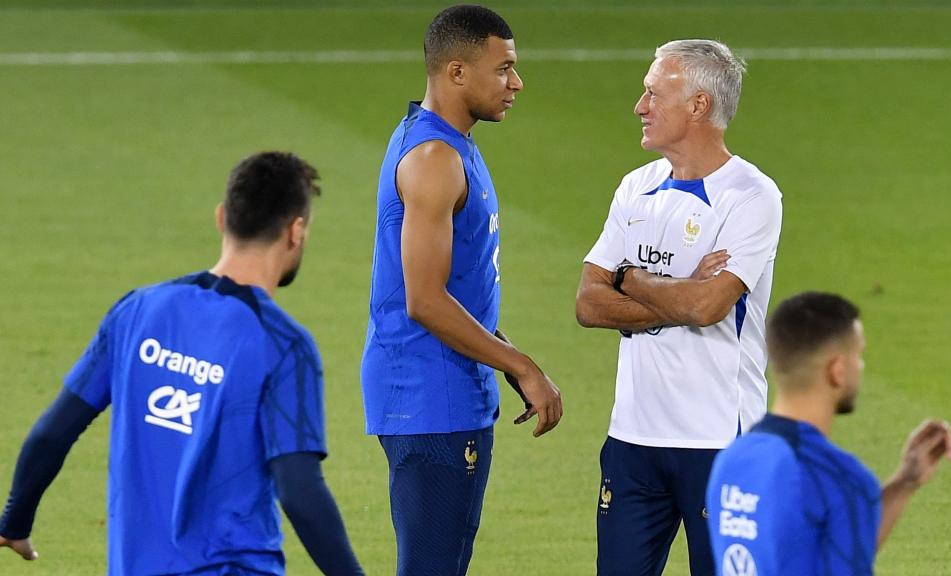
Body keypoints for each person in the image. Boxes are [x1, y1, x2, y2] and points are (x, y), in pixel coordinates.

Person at [0, 152, 364, 576]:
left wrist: (14, 521)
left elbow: (53, 432)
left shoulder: (136, 312)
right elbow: (299, 490)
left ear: (222, 217)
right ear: (296, 231)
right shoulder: (282, 345)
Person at [360, 4, 563, 575]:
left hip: (444, 390)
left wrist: (503, 356)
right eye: (503, 69)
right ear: (456, 72)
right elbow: (425, 299)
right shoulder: (434, 159)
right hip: (431, 397)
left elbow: (462, 289)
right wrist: (522, 366)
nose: (516, 83)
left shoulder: (448, 143)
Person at [575, 39, 783, 575]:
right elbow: (589, 304)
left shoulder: (751, 196)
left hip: (720, 441)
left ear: (698, 105)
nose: (639, 107)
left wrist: (630, 278)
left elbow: (709, 305)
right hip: (633, 438)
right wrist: (678, 290)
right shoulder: (636, 188)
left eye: (653, 94)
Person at [706, 292, 951, 575]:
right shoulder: (837, 477)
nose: (861, 367)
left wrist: (905, 481)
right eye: (858, 355)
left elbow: (815, 545)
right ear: (837, 370)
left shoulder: (732, 460)